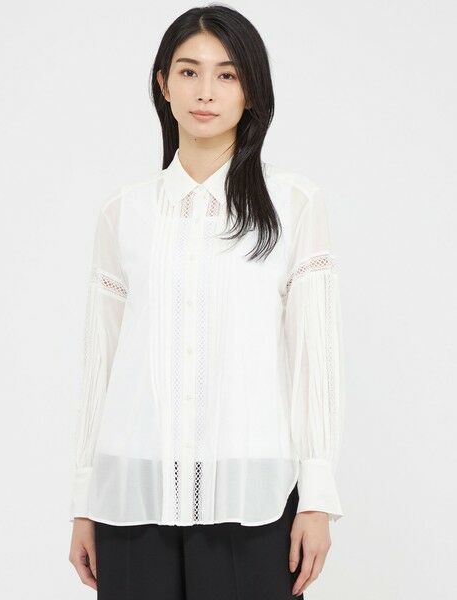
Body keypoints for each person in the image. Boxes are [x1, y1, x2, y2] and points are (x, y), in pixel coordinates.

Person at [68, 5, 346, 599]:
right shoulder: (124, 211)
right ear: (163, 84)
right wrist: (84, 499)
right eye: (189, 71)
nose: (206, 92)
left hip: (253, 492)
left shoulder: (294, 204)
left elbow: (313, 359)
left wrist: (317, 498)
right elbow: (102, 364)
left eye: (227, 74)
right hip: (133, 492)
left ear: (251, 91)